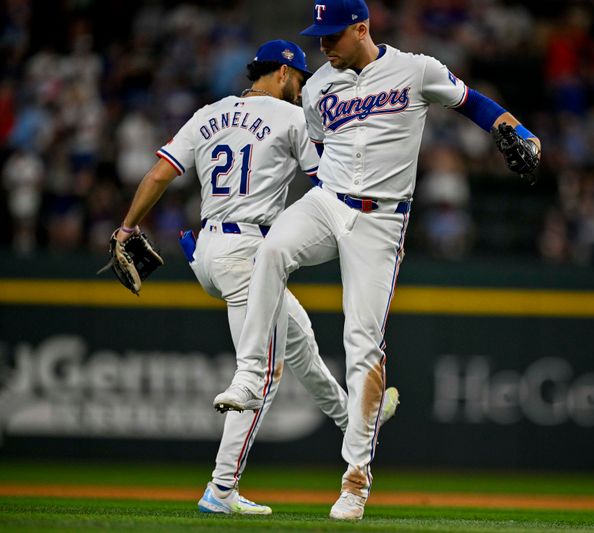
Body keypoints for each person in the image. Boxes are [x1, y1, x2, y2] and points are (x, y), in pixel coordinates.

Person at [218, 0, 541, 520]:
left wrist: (519, 130)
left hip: (382, 219)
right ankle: (250, 375)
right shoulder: (320, 86)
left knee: (362, 342)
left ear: (361, 29)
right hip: (329, 200)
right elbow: (321, 150)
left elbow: (472, 102)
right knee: (272, 248)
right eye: (318, 35)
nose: (321, 45)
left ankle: (355, 480)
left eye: (331, 35)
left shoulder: (416, 69)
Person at [113, 39, 399, 516]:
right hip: (248, 252)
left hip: (207, 250)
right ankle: (220, 490)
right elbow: (325, 183)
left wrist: (126, 227)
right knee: (262, 375)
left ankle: (354, 419)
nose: (302, 89)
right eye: (301, 80)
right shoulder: (291, 118)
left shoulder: (208, 113)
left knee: (301, 341)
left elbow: (161, 173)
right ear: (285, 75)